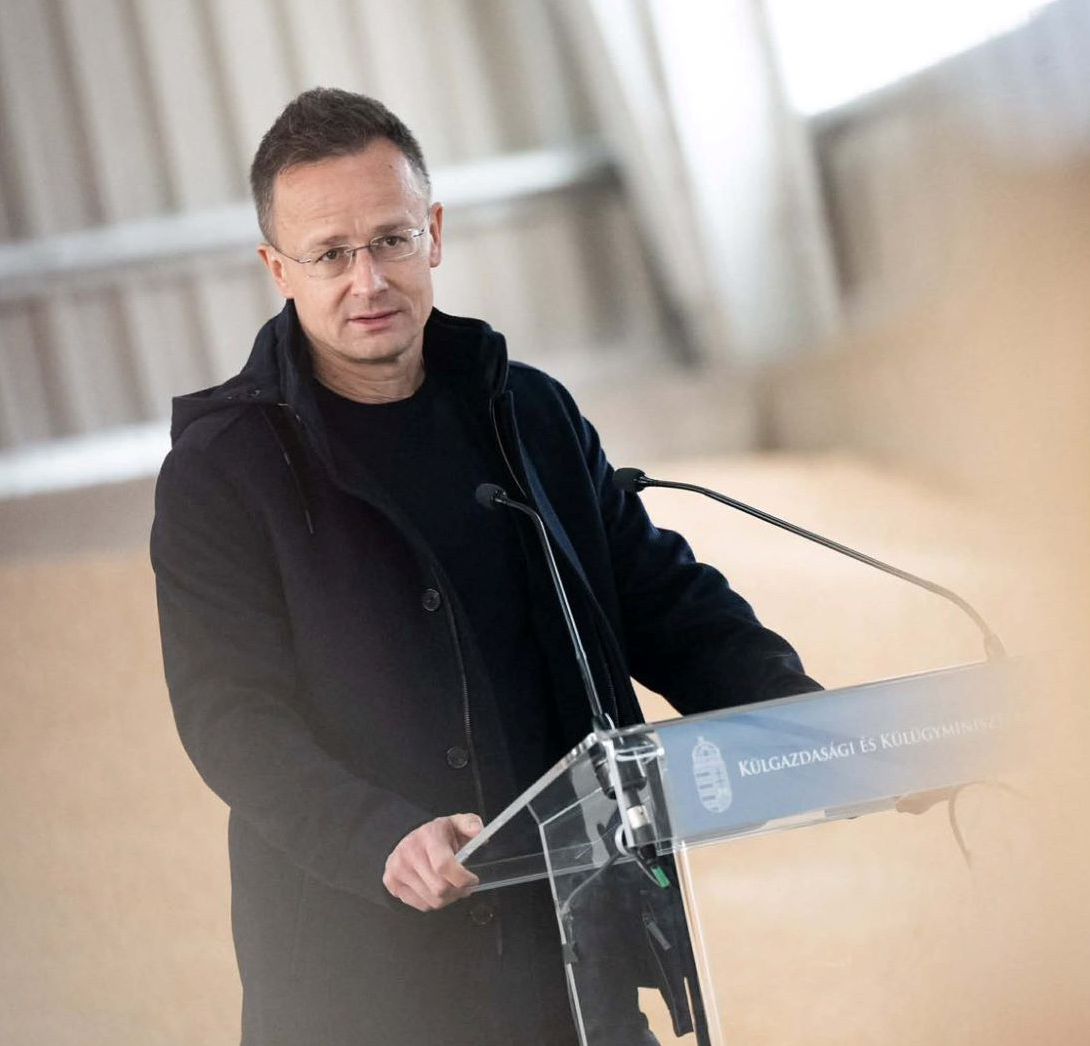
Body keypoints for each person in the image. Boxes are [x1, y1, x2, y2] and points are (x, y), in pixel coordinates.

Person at [150, 88, 818, 1046]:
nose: (367, 280)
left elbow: (660, 601)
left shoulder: (528, 416)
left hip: (573, 959)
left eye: (390, 239)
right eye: (330, 254)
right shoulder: (223, 473)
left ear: (433, 233)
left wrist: (808, 725)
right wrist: (376, 835)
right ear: (277, 269)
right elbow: (230, 715)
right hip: (361, 985)